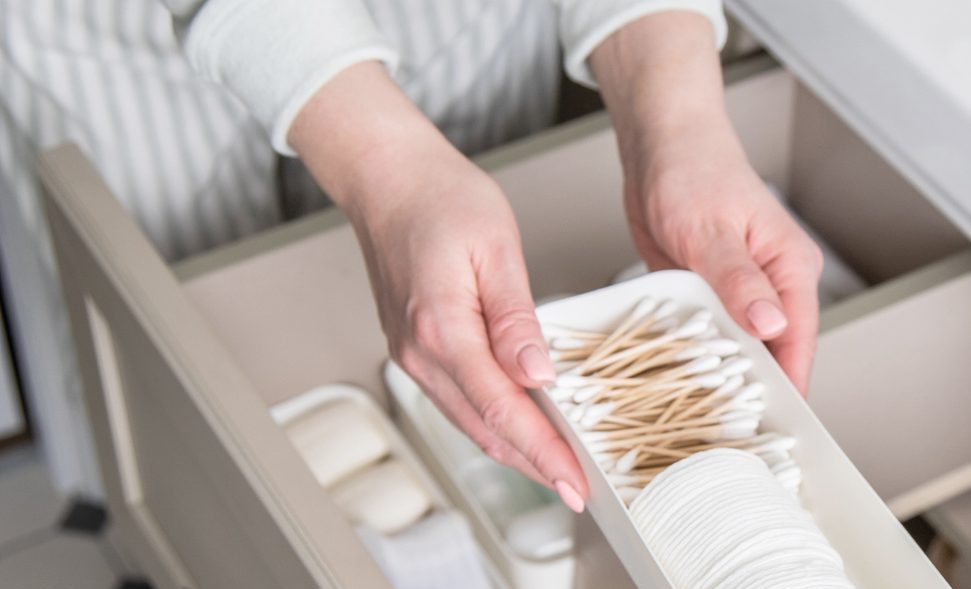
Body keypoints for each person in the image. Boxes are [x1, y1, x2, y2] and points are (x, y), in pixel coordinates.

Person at [0, 0, 823, 509]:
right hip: (119, 28)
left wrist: (673, 118)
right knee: (177, 305)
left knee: (454, 296)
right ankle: (202, 566)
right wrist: (384, 168)